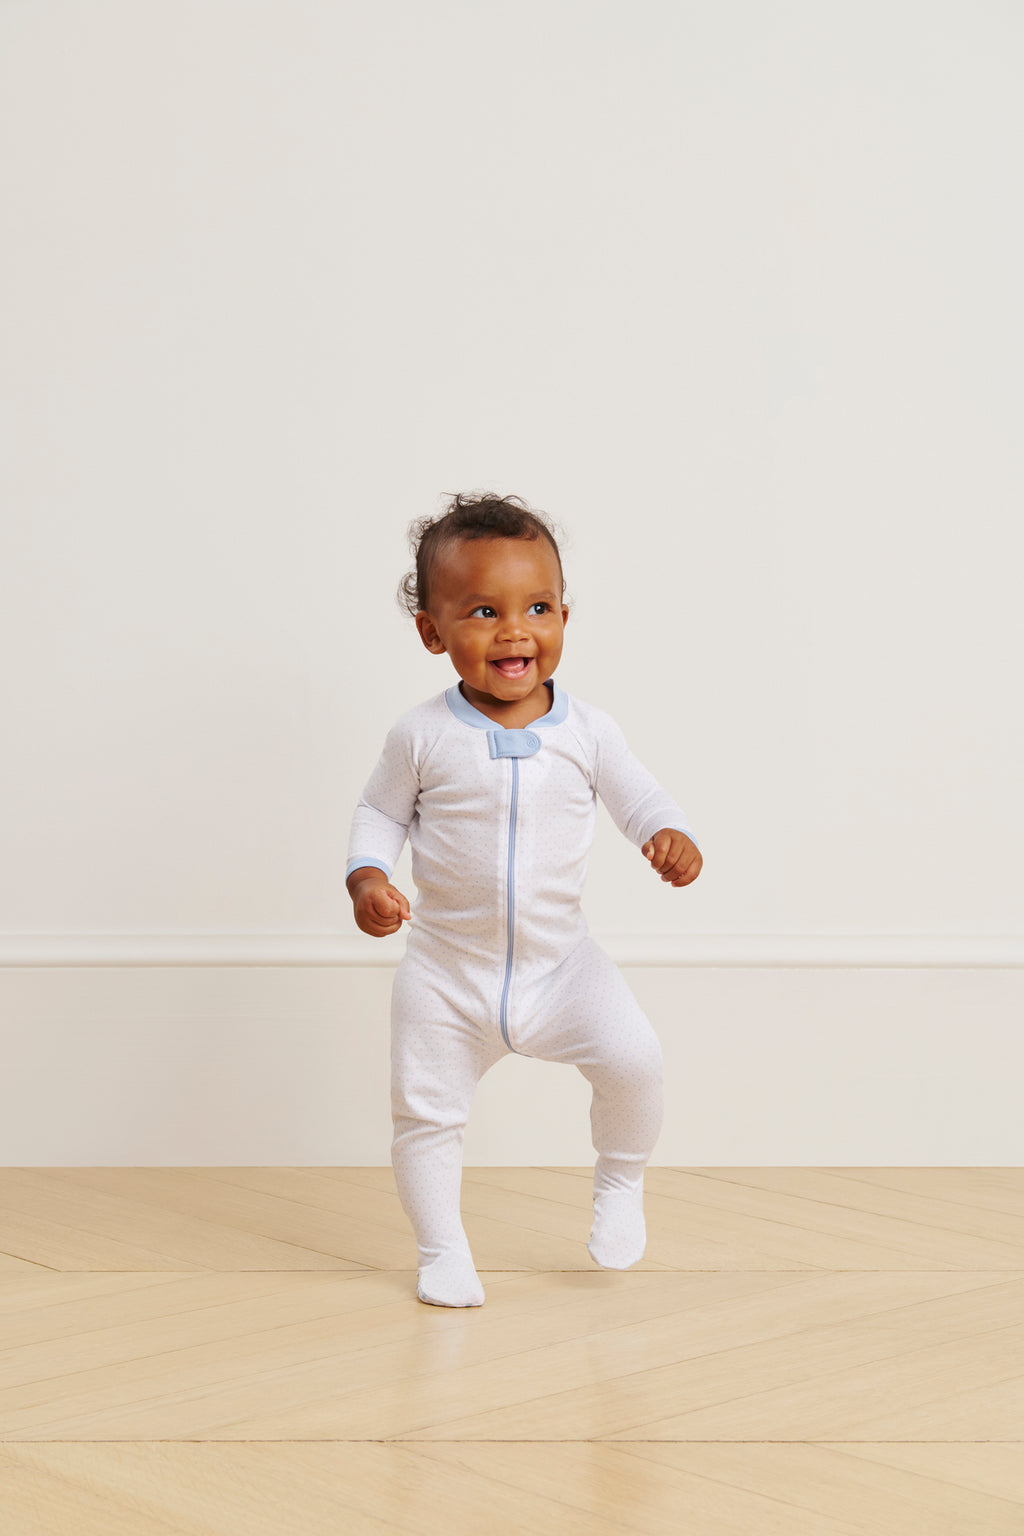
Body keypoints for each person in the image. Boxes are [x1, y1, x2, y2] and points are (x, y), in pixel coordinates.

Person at [346, 493, 702, 1307]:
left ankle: (619, 1181)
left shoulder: (590, 732)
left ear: (566, 616)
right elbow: (378, 813)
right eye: (483, 611)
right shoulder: (421, 736)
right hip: (446, 974)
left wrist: (668, 833)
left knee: (635, 1059)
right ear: (432, 633)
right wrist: (368, 876)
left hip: (561, 966)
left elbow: (640, 798)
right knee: (425, 1114)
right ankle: (442, 1252)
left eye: (538, 607)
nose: (515, 630)